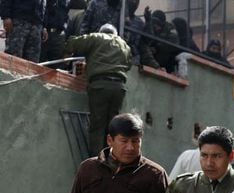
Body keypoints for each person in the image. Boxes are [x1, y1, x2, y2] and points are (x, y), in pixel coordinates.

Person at [65, 23, 132, 156]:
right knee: (113, 127)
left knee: (97, 125)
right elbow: (128, 64)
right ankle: (112, 159)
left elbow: (73, 44)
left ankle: (96, 162)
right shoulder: (124, 45)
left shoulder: (97, 37)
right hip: (119, 88)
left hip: (100, 85)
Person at [139, 7, 179, 73]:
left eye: (158, 24)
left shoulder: (170, 28)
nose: (156, 27)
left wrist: (157, 47)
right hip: (153, 60)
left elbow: (174, 43)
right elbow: (145, 40)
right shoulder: (150, 28)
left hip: (166, 60)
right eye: (154, 24)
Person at [40, 0, 70, 69]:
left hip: (59, 35)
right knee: (41, 60)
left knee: (56, 65)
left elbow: (66, 15)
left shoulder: (66, 1)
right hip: (46, 32)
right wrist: (44, 27)